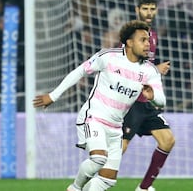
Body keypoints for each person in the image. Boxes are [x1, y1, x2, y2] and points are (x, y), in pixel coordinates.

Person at [33, 20, 166, 191]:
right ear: (130, 42)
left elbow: (161, 100)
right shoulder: (108, 57)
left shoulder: (150, 71)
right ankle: (75, 188)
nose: (148, 44)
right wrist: (53, 96)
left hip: (116, 127)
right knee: (98, 159)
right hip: (93, 117)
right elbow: (80, 71)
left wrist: (153, 96)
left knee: (107, 180)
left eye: (148, 40)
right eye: (143, 40)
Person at [124, 0, 174, 191]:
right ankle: (83, 184)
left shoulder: (152, 35)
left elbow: (144, 64)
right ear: (137, 10)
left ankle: (143, 188)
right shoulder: (131, 35)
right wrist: (155, 70)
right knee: (119, 149)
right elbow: (128, 65)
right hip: (130, 100)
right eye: (145, 8)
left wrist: (154, 70)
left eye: (152, 9)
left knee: (167, 140)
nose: (149, 13)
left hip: (145, 100)